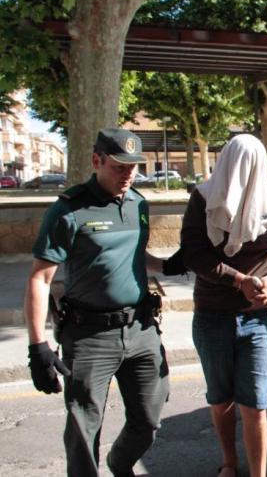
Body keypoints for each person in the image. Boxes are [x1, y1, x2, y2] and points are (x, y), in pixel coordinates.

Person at [24, 129, 175, 477]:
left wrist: (167, 265)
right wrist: (37, 347)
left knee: (150, 418)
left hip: (141, 329)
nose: (128, 174)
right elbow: (39, 278)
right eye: (119, 166)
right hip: (89, 335)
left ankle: (119, 463)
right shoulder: (68, 210)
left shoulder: (138, 203)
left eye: (133, 167)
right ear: (97, 161)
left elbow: (137, 256)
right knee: (83, 429)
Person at [180, 134, 267, 477]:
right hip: (212, 316)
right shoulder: (202, 199)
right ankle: (229, 464)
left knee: (255, 405)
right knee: (221, 400)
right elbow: (193, 254)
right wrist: (239, 280)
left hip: (256, 319)